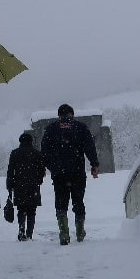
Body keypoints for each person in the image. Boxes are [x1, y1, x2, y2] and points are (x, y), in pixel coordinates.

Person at [40, 104, 99, 245]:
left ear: (59, 115)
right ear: (72, 114)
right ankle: (80, 232)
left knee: (61, 203)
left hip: (59, 174)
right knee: (78, 201)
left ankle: (64, 234)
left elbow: (44, 153)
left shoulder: (51, 129)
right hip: (77, 172)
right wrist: (94, 164)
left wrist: (53, 167)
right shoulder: (80, 127)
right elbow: (89, 147)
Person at [6, 133, 46, 241]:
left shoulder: (15, 153)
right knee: (32, 210)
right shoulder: (37, 153)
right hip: (33, 186)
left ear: (20, 141)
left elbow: (10, 171)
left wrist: (10, 185)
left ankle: (21, 229)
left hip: (19, 186)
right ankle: (29, 234)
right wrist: (38, 180)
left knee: (21, 209)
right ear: (31, 141)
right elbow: (42, 170)